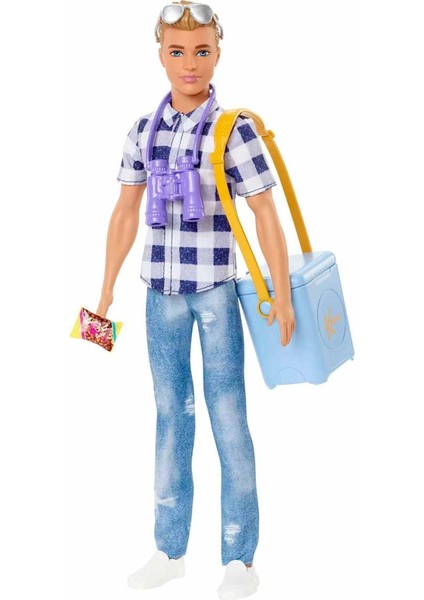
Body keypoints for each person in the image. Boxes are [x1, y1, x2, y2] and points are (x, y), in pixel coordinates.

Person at [96, 2, 295, 598]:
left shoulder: (233, 129)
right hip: (159, 295)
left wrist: (282, 295)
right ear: (160, 55)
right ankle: (169, 550)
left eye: (202, 50)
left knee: (228, 416)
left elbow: (265, 211)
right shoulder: (143, 130)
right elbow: (125, 211)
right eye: (177, 51)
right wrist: (104, 290)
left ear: (218, 53)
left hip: (215, 293)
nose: (190, 63)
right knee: (170, 417)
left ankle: (240, 557)